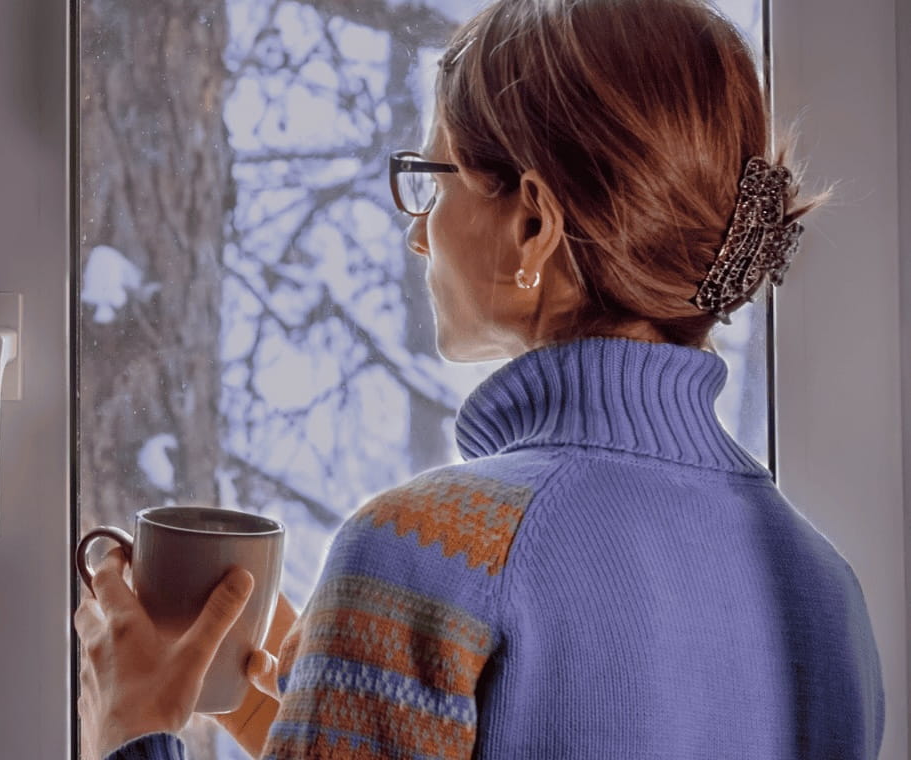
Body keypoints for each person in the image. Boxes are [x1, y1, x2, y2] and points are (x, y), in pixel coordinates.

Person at [72, 0, 887, 758]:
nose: (418, 235)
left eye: (432, 180)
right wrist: (326, 705)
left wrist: (133, 726)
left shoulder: (429, 554)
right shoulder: (824, 593)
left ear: (532, 223)